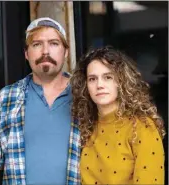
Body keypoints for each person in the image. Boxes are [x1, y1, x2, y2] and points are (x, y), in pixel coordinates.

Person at [0, 17, 81, 185]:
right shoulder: (5, 99)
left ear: (66, 51)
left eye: (54, 43)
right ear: (26, 53)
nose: (45, 51)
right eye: (37, 44)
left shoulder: (85, 97)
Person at [71, 46, 165, 184]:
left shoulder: (142, 127)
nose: (99, 85)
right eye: (92, 79)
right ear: (85, 86)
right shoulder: (87, 126)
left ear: (121, 81)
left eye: (108, 77)